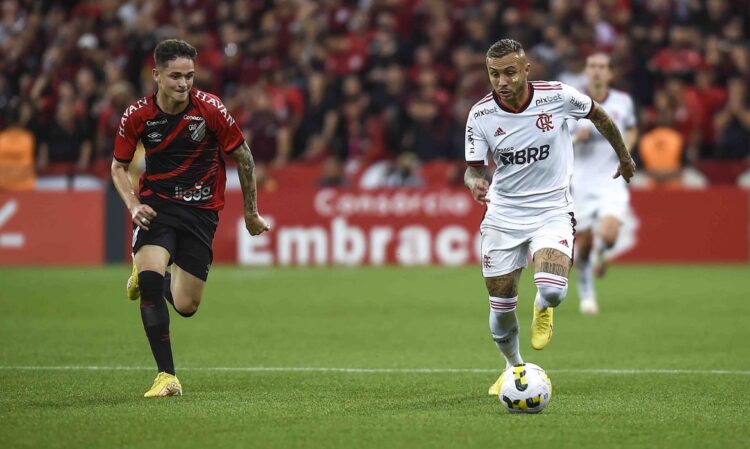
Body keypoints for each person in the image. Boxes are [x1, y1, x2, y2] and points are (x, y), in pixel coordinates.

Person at [463, 39, 635, 397]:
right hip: (503, 215)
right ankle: (514, 367)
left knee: (553, 291)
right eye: (494, 74)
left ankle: (543, 305)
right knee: (501, 303)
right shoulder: (480, 115)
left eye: (510, 72)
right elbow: (472, 169)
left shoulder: (557, 96)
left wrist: (624, 157)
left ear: (527, 69)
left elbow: (599, 116)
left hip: (552, 209)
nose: (502, 81)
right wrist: (475, 183)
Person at [111, 39, 269, 398]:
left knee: (186, 305)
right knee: (152, 283)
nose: (183, 84)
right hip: (156, 208)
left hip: (201, 212)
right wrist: (133, 204)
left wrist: (251, 213)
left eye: (189, 76)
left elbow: (244, 158)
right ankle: (166, 375)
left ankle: (149, 273)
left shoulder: (210, 108)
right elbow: (118, 167)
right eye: (175, 76)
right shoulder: (137, 115)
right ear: (157, 75)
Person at [570, 53, 639, 315]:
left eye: (602, 67)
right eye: (592, 66)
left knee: (609, 236)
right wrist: (577, 135)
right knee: (584, 245)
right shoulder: (573, 102)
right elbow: (559, 136)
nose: (596, 71)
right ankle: (587, 294)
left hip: (612, 179)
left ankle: (604, 253)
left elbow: (632, 129)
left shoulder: (622, 102)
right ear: (586, 72)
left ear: (610, 73)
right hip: (581, 182)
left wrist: (626, 152)